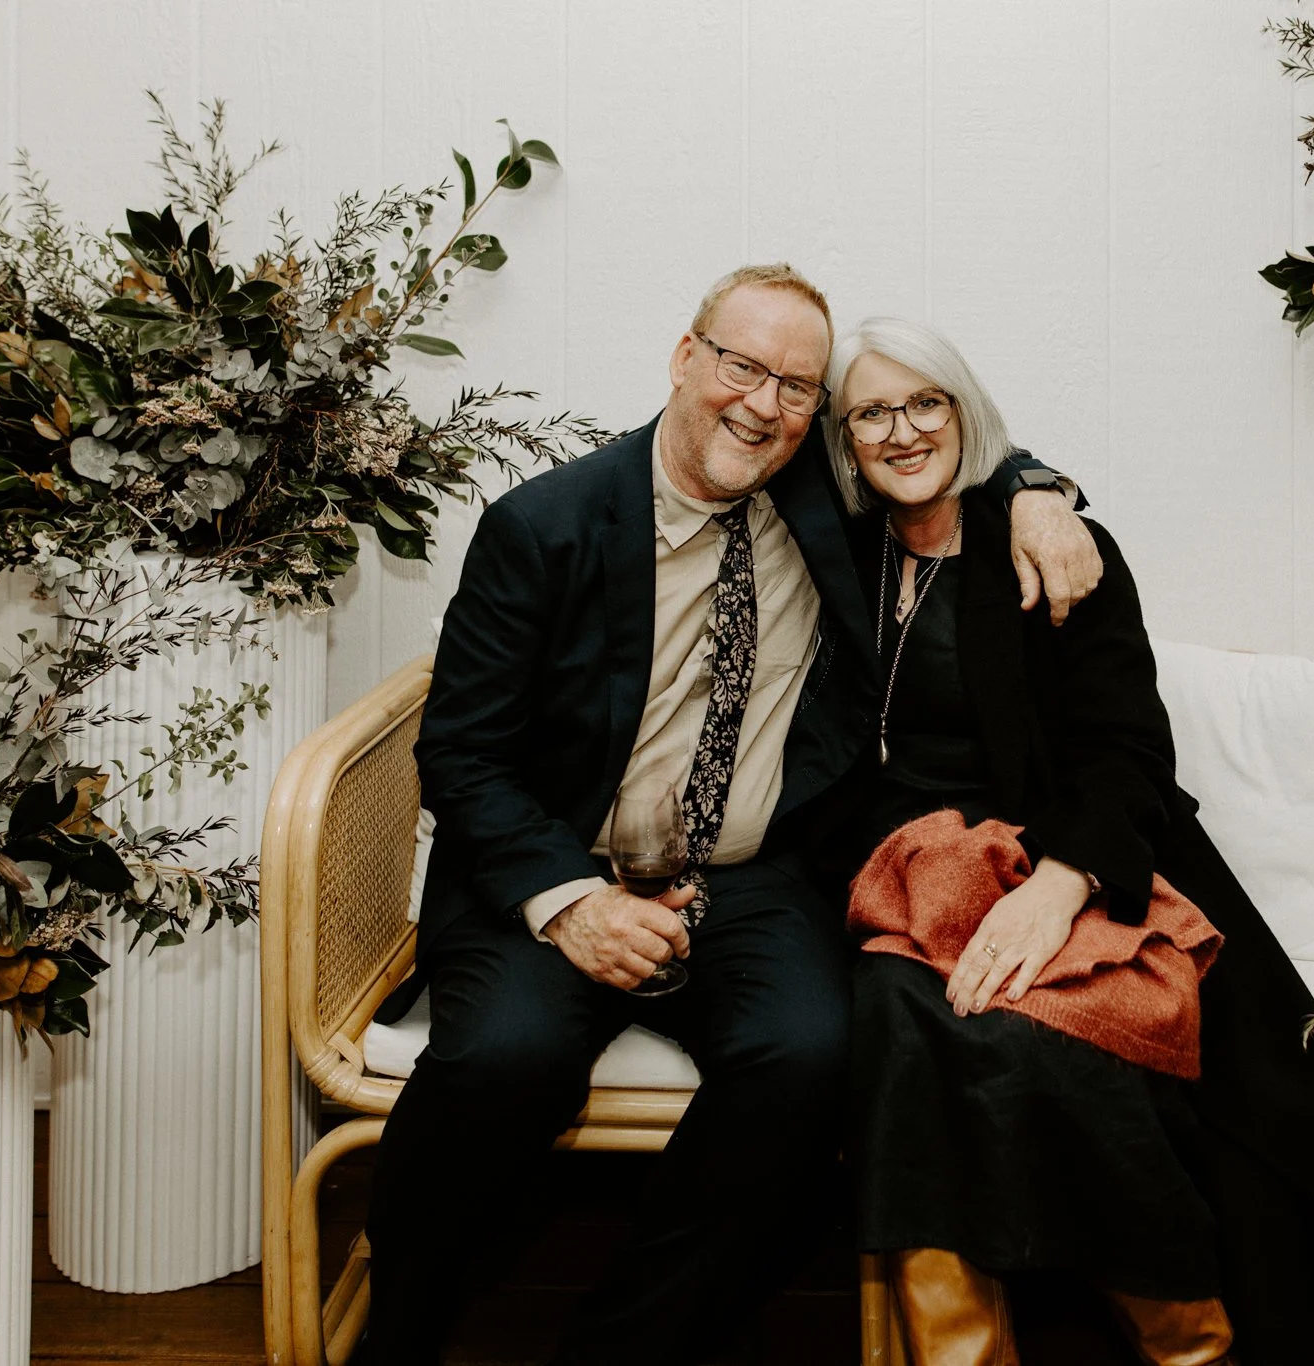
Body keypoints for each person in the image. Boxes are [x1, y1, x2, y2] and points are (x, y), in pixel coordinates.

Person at [360, 265, 1103, 1366]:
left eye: (797, 388)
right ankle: (400, 1329)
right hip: (562, 867)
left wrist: (1040, 487)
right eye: (742, 367)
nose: (763, 405)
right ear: (684, 357)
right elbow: (460, 753)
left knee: (813, 1057)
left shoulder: (820, 499)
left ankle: (626, 1347)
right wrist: (572, 903)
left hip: (745, 878)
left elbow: (932, 443)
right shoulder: (543, 526)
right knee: (506, 1058)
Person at [824, 317, 1314, 1366]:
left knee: (1062, 1026)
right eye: (871, 413)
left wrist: (1062, 881)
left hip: (1064, 845)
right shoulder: (830, 550)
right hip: (897, 874)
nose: (902, 431)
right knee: (898, 1013)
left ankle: (1188, 1340)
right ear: (842, 441)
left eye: (926, 402)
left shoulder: (1052, 550)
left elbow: (1128, 747)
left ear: (963, 412)